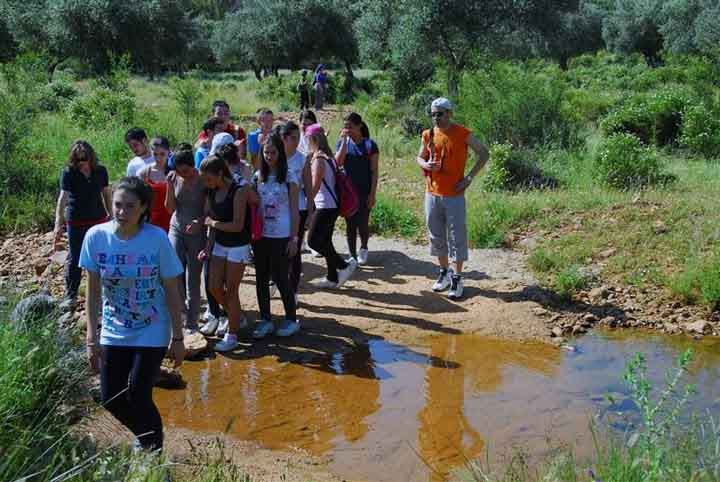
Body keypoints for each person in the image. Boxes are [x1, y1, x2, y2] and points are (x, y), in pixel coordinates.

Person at [80, 176, 185, 452]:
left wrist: (178, 337)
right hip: (114, 327)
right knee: (110, 397)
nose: (122, 212)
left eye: (129, 206)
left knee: (139, 394)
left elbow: (172, 290)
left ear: (143, 208)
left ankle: (153, 449)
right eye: (117, 205)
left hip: (153, 326)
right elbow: (92, 291)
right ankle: (147, 437)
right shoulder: (96, 237)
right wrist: (92, 337)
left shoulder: (157, 239)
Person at [416, 97, 489, 300]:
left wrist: (469, 178)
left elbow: (483, 153)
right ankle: (444, 272)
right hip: (432, 193)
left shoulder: (462, 133)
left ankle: (457, 277)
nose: (436, 118)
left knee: (456, 236)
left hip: (454, 195)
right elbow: (419, 157)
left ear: (450, 113)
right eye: (433, 114)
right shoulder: (428, 134)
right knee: (436, 235)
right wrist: (425, 164)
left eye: (440, 113)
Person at [198, 156, 252, 352]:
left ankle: (232, 335)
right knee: (213, 287)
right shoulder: (211, 191)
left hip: (238, 245)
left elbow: (237, 225)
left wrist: (213, 224)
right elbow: (210, 222)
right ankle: (237, 316)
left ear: (220, 173)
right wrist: (208, 247)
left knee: (231, 290)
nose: (206, 183)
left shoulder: (238, 190)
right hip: (219, 243)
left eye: (209, 179)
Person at [251, 134, 300, 338]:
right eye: (266, 152)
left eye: (273, 152)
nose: (269, 156)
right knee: (261, 277)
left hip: (282, 235)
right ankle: (265, 320)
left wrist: (294, 239)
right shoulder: (257, 177)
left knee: (281, 277)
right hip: (261, 235)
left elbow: (296, 210)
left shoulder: (290, 178)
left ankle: (291, 319)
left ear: (280, 153)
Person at [53, 140, 111, 309]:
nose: (82, 162)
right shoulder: (69, 172)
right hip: (76, 220)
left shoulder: (100, 171)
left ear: (90, 157)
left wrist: (112, 216)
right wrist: (58, 223)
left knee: (102, 257)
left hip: (98, 218)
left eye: (84, 158)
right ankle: (71, 295)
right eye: (78, 159)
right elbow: (62, 199)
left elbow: (107, 194)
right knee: (75, 257)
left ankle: (104, 294)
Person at [306, 124, 356, 289]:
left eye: (307, 138)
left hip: (325, 206)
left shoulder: (319, 159)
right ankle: (332, 277)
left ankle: (343, 266)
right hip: (331, 205)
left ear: (313, 139)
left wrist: (307, 207)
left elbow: (314, 187)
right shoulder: (327, 156)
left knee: (313, 241)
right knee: (326, 241)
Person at [165, 148, 206, 332]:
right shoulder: (175, 178)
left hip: (197, 232)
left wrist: (200, 222)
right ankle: (180, 311)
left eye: (186, 171)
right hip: (177, 228)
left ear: (193, 166)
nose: (184, 175)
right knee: (174, 271)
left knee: (193, 278)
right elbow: (169, 208)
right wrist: (169, 186)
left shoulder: (203, 179)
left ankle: (192, 321)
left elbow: (209, 209)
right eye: (180, 171)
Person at [335, 113, 379, 265]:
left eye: (350, 127)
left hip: (364, 191)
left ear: (359, 126)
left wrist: (372, 194)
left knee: (363, 223)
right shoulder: (342, 143)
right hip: (348, 193)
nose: (347, 130)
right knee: (350, 224)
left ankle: (364, 248)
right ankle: (352, 255)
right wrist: (344, 143)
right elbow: (338, 163)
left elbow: (374, 171)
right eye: (345, 126)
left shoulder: (370, 145)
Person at [280, 122, 313, 303]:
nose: (297, 141)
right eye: (293, 138)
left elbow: (308, 186)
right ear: (284, 138)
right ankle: (277, 281)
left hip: (298, 208)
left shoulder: (302, 159)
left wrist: (310, 212)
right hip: (277, 209)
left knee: (295, 250)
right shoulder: (275, 156)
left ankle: (293, 291)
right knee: (277, 248)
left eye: (298, 137)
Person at [139, 137, 172, 233]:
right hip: (151, 219)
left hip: (170, 218)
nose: (158, 158)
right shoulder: (145, 173)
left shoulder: (174, 172)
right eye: (155, 154)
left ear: (169, 152)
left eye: (162, 154)